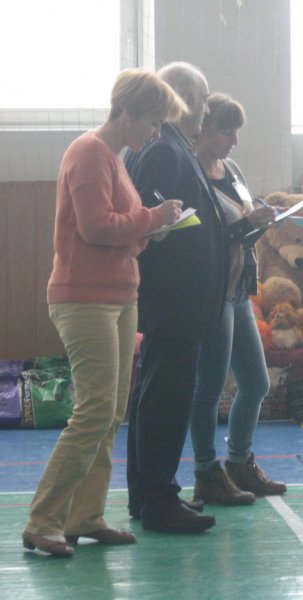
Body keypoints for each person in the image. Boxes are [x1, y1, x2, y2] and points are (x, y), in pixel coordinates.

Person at [23, 69, 185, 557]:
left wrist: (149, 231)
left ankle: (85, 515)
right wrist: (154, 219)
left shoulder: (114, 157)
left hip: (117, 294)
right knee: (93, 411)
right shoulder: (90, 151)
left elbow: (118, 233)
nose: (156, 134)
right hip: (83, 297)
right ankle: (43, 520)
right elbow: (95, 228)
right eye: (154, 123)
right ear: (128, 112)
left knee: (112, 412)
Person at [124, 62, 228, 534]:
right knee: (166, 398)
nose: (205, 112)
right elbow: (147, 219)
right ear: (182, 99)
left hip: (175, 300)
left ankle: (148, 495)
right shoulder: (165, 149)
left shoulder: (170, 147)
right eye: (203, 101)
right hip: (174, 299)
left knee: (156, 395)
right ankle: (158, 497)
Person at [190, 92, 286, 504]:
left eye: (237, 131)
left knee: (256, 382)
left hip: (239, 287)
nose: (234, 140)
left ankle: (238, 462)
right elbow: (201, 238)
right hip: (212, 288)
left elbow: (242, 230)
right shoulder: (191, 172)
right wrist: (247, 223)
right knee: (210, 387)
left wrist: (261, 220)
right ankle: (205, 470)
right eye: (226, 131)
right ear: (204, 129)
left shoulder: (231, 169)